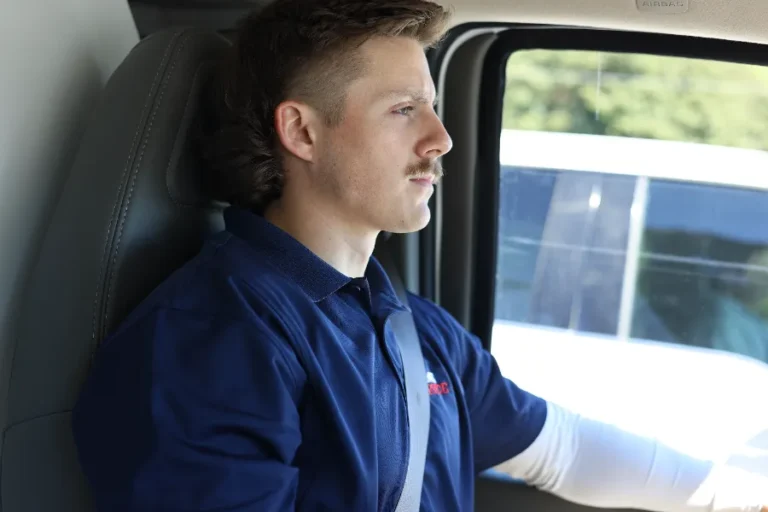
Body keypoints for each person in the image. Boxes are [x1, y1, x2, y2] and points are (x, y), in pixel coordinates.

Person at [71, 0, 768, 510]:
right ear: (302, 133)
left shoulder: (409, 326)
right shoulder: (214, 341)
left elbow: (561, 448)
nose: (441, 139)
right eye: (404, 110)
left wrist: (738, 496)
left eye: (432, 106)